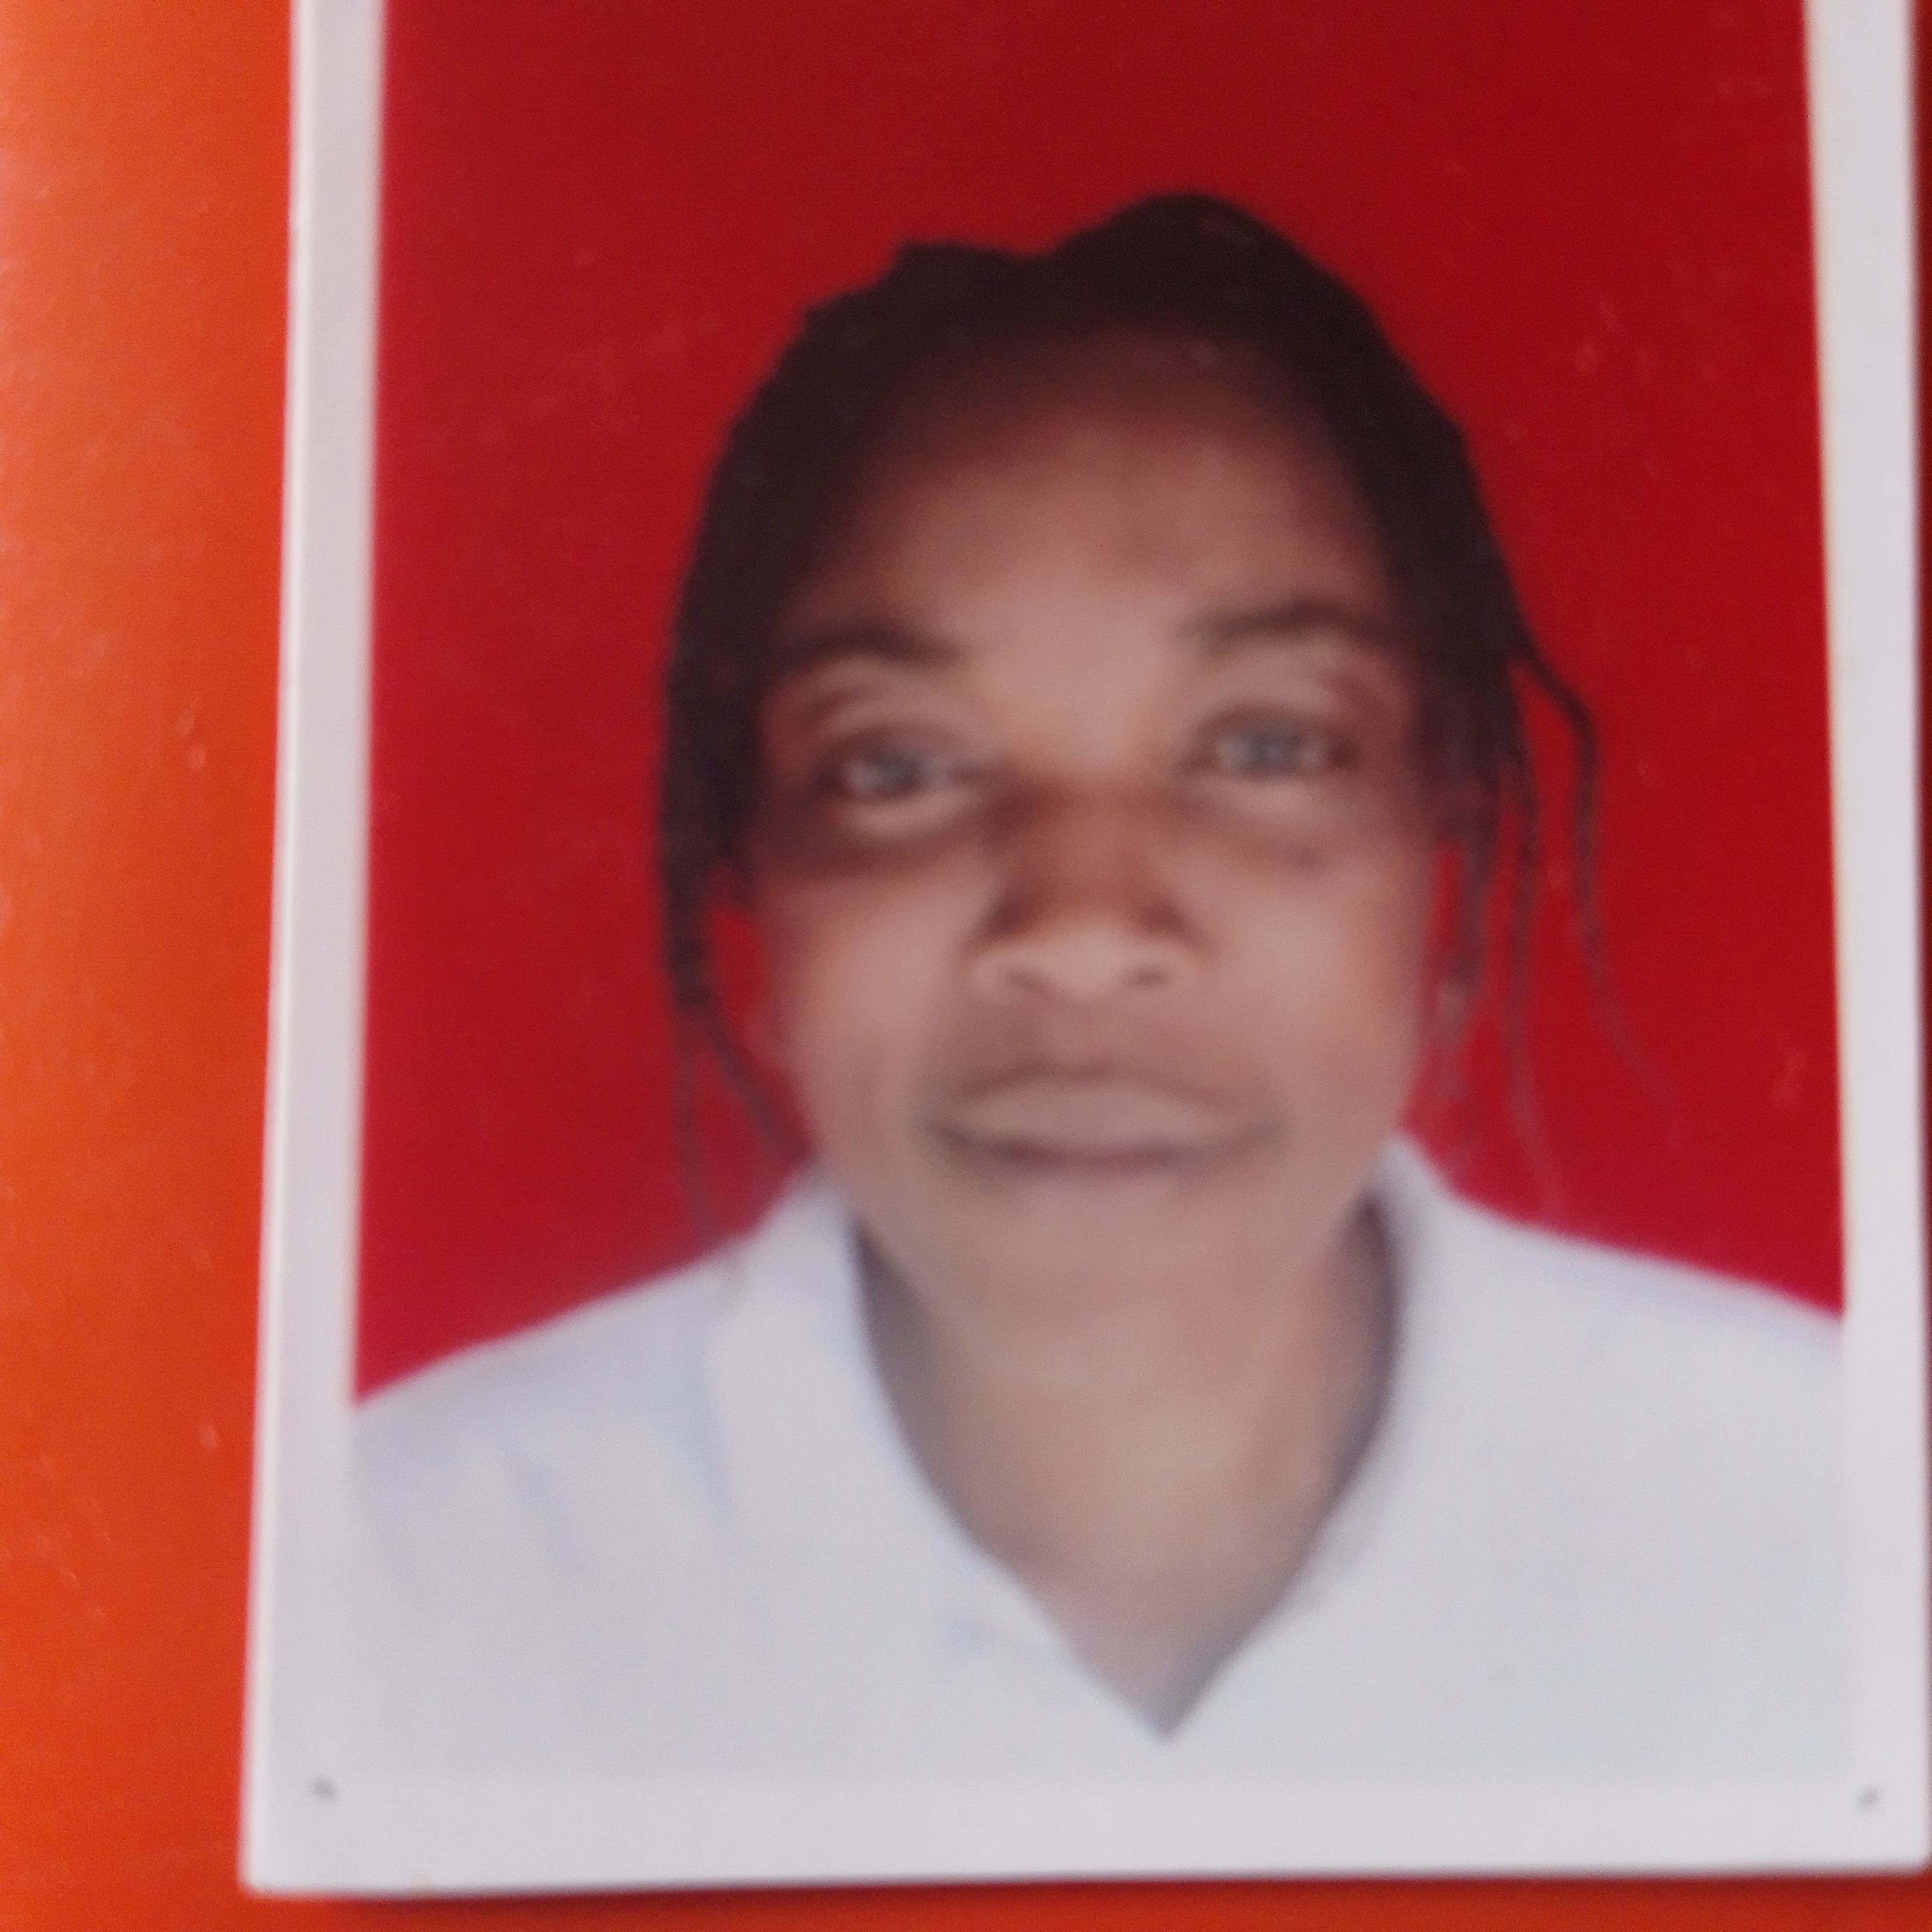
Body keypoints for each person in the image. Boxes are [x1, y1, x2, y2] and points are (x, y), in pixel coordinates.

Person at [347, 195, 1847, 1780]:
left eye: (1267, 744)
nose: (1077, 927)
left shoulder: (1823, 1509)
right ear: (753, 880)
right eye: (896, 766)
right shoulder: (407, 1582)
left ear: (1443, 855)